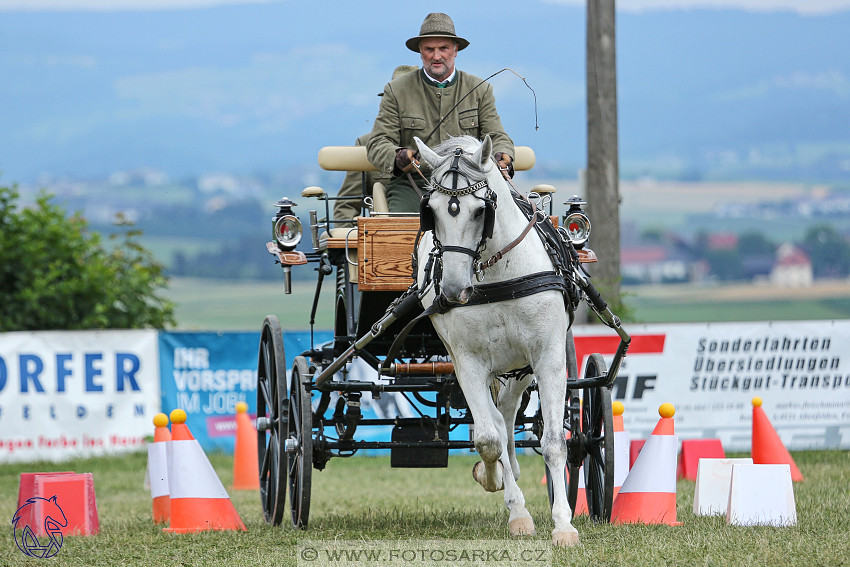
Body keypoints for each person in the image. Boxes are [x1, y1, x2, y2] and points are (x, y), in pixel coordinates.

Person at [367, 12, 515, 213]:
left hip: (469, 185)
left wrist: (503, 154)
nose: (436, 56)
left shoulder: (480, 89)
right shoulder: (396, 90)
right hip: (414, 185)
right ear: (420, 52)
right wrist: (397, 156)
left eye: (443, 48)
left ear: (455, 50)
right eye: (429, 49)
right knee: (403, 235)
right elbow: (378, 142)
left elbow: (496, 135)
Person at [333, 65, 419, 227]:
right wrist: (350, 242)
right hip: (385, 238)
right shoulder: (366, 144)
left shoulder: (436, 145)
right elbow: (347, 205)